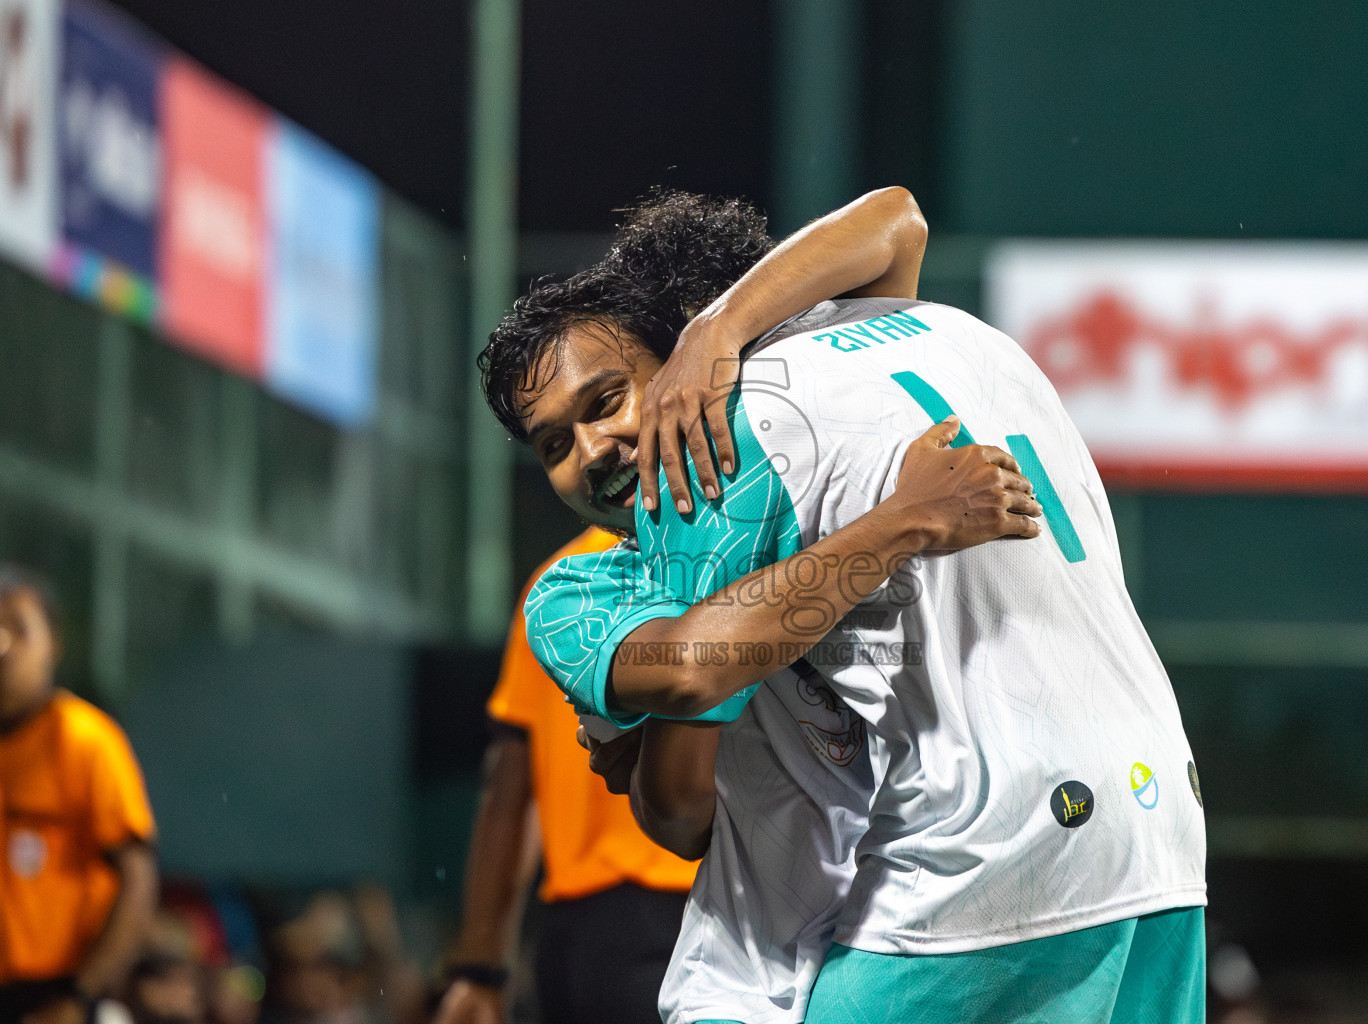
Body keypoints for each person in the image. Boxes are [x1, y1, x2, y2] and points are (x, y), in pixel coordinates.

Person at [488, 187, 1208, 1022]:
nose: (590, 450)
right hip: (1159, 831)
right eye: (552, 445)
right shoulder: (947, 335)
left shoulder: (715, 456)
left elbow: (685, 754)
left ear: (680, 367)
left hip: (953, 875)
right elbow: (896, 220)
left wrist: (901, 522)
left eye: (608, 402)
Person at [433, 527, 699, 1024]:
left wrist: (480, 968)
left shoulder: (554, 584)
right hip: (690, 914)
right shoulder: (724, 553)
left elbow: (508, 788)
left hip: (578, 944)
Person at [0, 566, 158, 1024]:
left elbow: (138, 878)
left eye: (19, 627)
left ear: (54, 644)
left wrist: (81, 997)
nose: (4, 645)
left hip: (58, 995)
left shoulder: (84, 741)